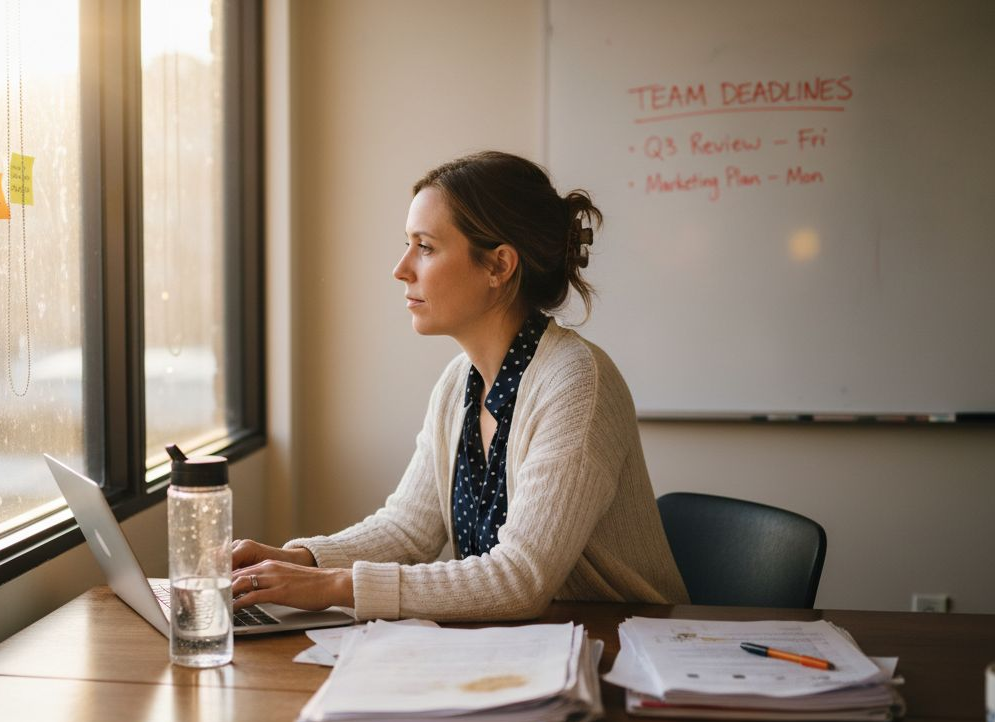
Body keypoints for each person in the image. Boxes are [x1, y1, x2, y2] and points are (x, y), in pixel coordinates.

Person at [231, 150, 687, 621]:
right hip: (524, 648)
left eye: (424, 247)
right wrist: (296, 561)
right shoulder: (458, 383)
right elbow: (409, 529)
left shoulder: (577, 384)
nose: (401, 268)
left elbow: (519, 580)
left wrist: (331, 586)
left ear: (499, 266)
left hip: (624, 651)